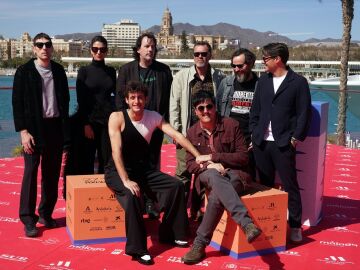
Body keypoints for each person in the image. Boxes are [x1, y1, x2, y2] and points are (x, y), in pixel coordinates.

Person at [105, 81, 201, 265]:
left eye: (140, 97)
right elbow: (116, 152)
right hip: (117, 171)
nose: (136, 101)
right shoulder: (116, 117)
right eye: (132, 97)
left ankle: (171, 233)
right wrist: (125, 180)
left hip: (142, 170)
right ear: (126, 100)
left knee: (176, 186)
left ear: (146, 99)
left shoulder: (153, 116)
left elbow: (177, 136)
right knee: (133, 196)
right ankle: (138, 250)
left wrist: (198, 156)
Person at [182, 90, 261, 265]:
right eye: (200, 108)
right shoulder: (192, 132)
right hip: (208, 175)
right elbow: (190, 164)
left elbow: (243, 157)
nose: (205, 111)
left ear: (215, 107)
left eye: (209, 106)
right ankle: (246, 223)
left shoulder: (231, 125)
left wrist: (213, 157)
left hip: (236, 174)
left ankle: (199, 244)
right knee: (213, 175)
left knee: (218, 195)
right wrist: (211, 166)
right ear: (195, 111)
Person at [249, 43, 312, 243]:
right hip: (261, 143)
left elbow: (304, 114)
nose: (262, 61)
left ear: (278, 59)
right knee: (264, 186)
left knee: (290, 185)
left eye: (265, 58)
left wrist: (295, 139)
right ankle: (266, 225)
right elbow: (255, 109)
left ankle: (295, 226)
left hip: (284, 143)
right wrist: (254, 133)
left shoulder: (298, 82)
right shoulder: (263, 81)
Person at [12, 33, 70, 237]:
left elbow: (65, 101)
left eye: (47, 45)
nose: (44, 48)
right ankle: (28, 219)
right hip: (33, 129)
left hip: (55, 127)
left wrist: (65, 131)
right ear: (34, 49)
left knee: (51, 174)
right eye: (40, 45)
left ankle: (45, 213)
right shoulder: (24, 72)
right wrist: (23, 132)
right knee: (30, 172)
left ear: (52, 48)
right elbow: (17, 103)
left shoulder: (59, 71)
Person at [115, 32, 172, 219]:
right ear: (138, 49)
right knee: (132, 164)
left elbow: (169, 101)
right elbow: (119, 101)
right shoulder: (126, 70)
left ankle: (151, 202)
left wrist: (167, 125)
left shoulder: (164, 71)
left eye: (153, 46)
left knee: (152, 166)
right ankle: (134, 202)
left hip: (154, 127)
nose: (150, 49)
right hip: (131, 128)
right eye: (147, 46)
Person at [169, 41, 225, 220]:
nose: (200, 57)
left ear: (210, 55)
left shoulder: (219, 78)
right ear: (193, 56)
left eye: (204, 53)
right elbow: (174, 107)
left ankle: (199, 213)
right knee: (183, 175)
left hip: (209, 136)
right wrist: (176, 133)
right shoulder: (181, 77)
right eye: (197, 54)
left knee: (205, 175)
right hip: (187, 136)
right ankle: (179, 215)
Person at [76, 35, 116, 174]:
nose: (99, 52)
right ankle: (87, 193)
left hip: (107, 122)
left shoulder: (111, 72)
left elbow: (115, 97)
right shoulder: (83, 72)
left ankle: (104, 192)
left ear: (106, 51)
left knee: (106, 160)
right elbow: (80, 100)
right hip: (90, 122)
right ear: (91, 51)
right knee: (87, 160)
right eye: (95, 49)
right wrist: (85, 124)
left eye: (102, 49)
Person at [217, 48, 258, 181]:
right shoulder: (226, 83)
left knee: (248, 178)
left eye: (240, 66)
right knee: (225, 177)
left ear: (251, 64)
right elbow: (218, 109)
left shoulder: (261, 85)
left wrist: (257, 137)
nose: (236, 69)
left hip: (249, 141)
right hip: (227, 140)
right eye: (233, 66)